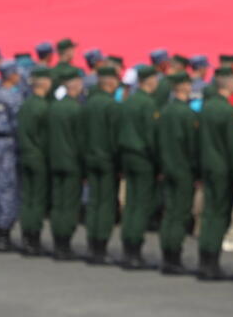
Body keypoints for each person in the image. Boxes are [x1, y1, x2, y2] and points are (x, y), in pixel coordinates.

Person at [197, 65, 233, 281]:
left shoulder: (207, 107)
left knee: (208, 214)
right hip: (223, 169)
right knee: (219, 215)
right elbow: (232, 146)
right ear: (229, 83)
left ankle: (204, 261)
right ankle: (212, 264)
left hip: (207, 166)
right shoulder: (227, 110)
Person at [117, 65, 160, 270]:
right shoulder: (147, 103)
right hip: (143, 158)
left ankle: (127, 247)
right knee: (141, 204)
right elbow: (151, 136)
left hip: (127, 155)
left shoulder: (128, 101)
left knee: (131, 203)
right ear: (148, 81)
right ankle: (134, 249)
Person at [157, 72, 198, 275]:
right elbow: (191, 146)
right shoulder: (187, 114)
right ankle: (174, 257)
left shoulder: (165, 111)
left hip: (167, 167)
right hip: (182, 170)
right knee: (179, 213)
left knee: (169, 212)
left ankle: (167, 255)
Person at [82, 66, 121, 265]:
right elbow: (115, 137)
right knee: (105, 204)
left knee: (94, 203)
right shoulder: (111, 105)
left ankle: (91, 244)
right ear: (110, 82)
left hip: (90, 158)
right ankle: (100, 247)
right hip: (106, 160)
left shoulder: (89, 104)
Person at [0, 61, 24, 251]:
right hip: (8, 144)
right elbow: (18, 124)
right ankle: (3, 233)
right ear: (11, 75)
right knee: (7, 188)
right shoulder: (13, 97)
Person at [47, 67, 84, 260]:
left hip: (55, 161)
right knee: (68, 205)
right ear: (75, 86)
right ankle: (64, 244)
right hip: (71, 163)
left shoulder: (54, 107)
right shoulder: (75, 109)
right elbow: (80, 139)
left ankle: (57, 242)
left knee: (57, 203)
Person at [18, 67, 51, 256]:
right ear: (44, 83)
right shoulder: (42, 107)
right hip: (38, 157)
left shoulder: (26, 104)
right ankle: (33, 239)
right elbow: (44, 138)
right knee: (37, 200)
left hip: (25, 154)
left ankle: (26, 236)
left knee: (27, 198)